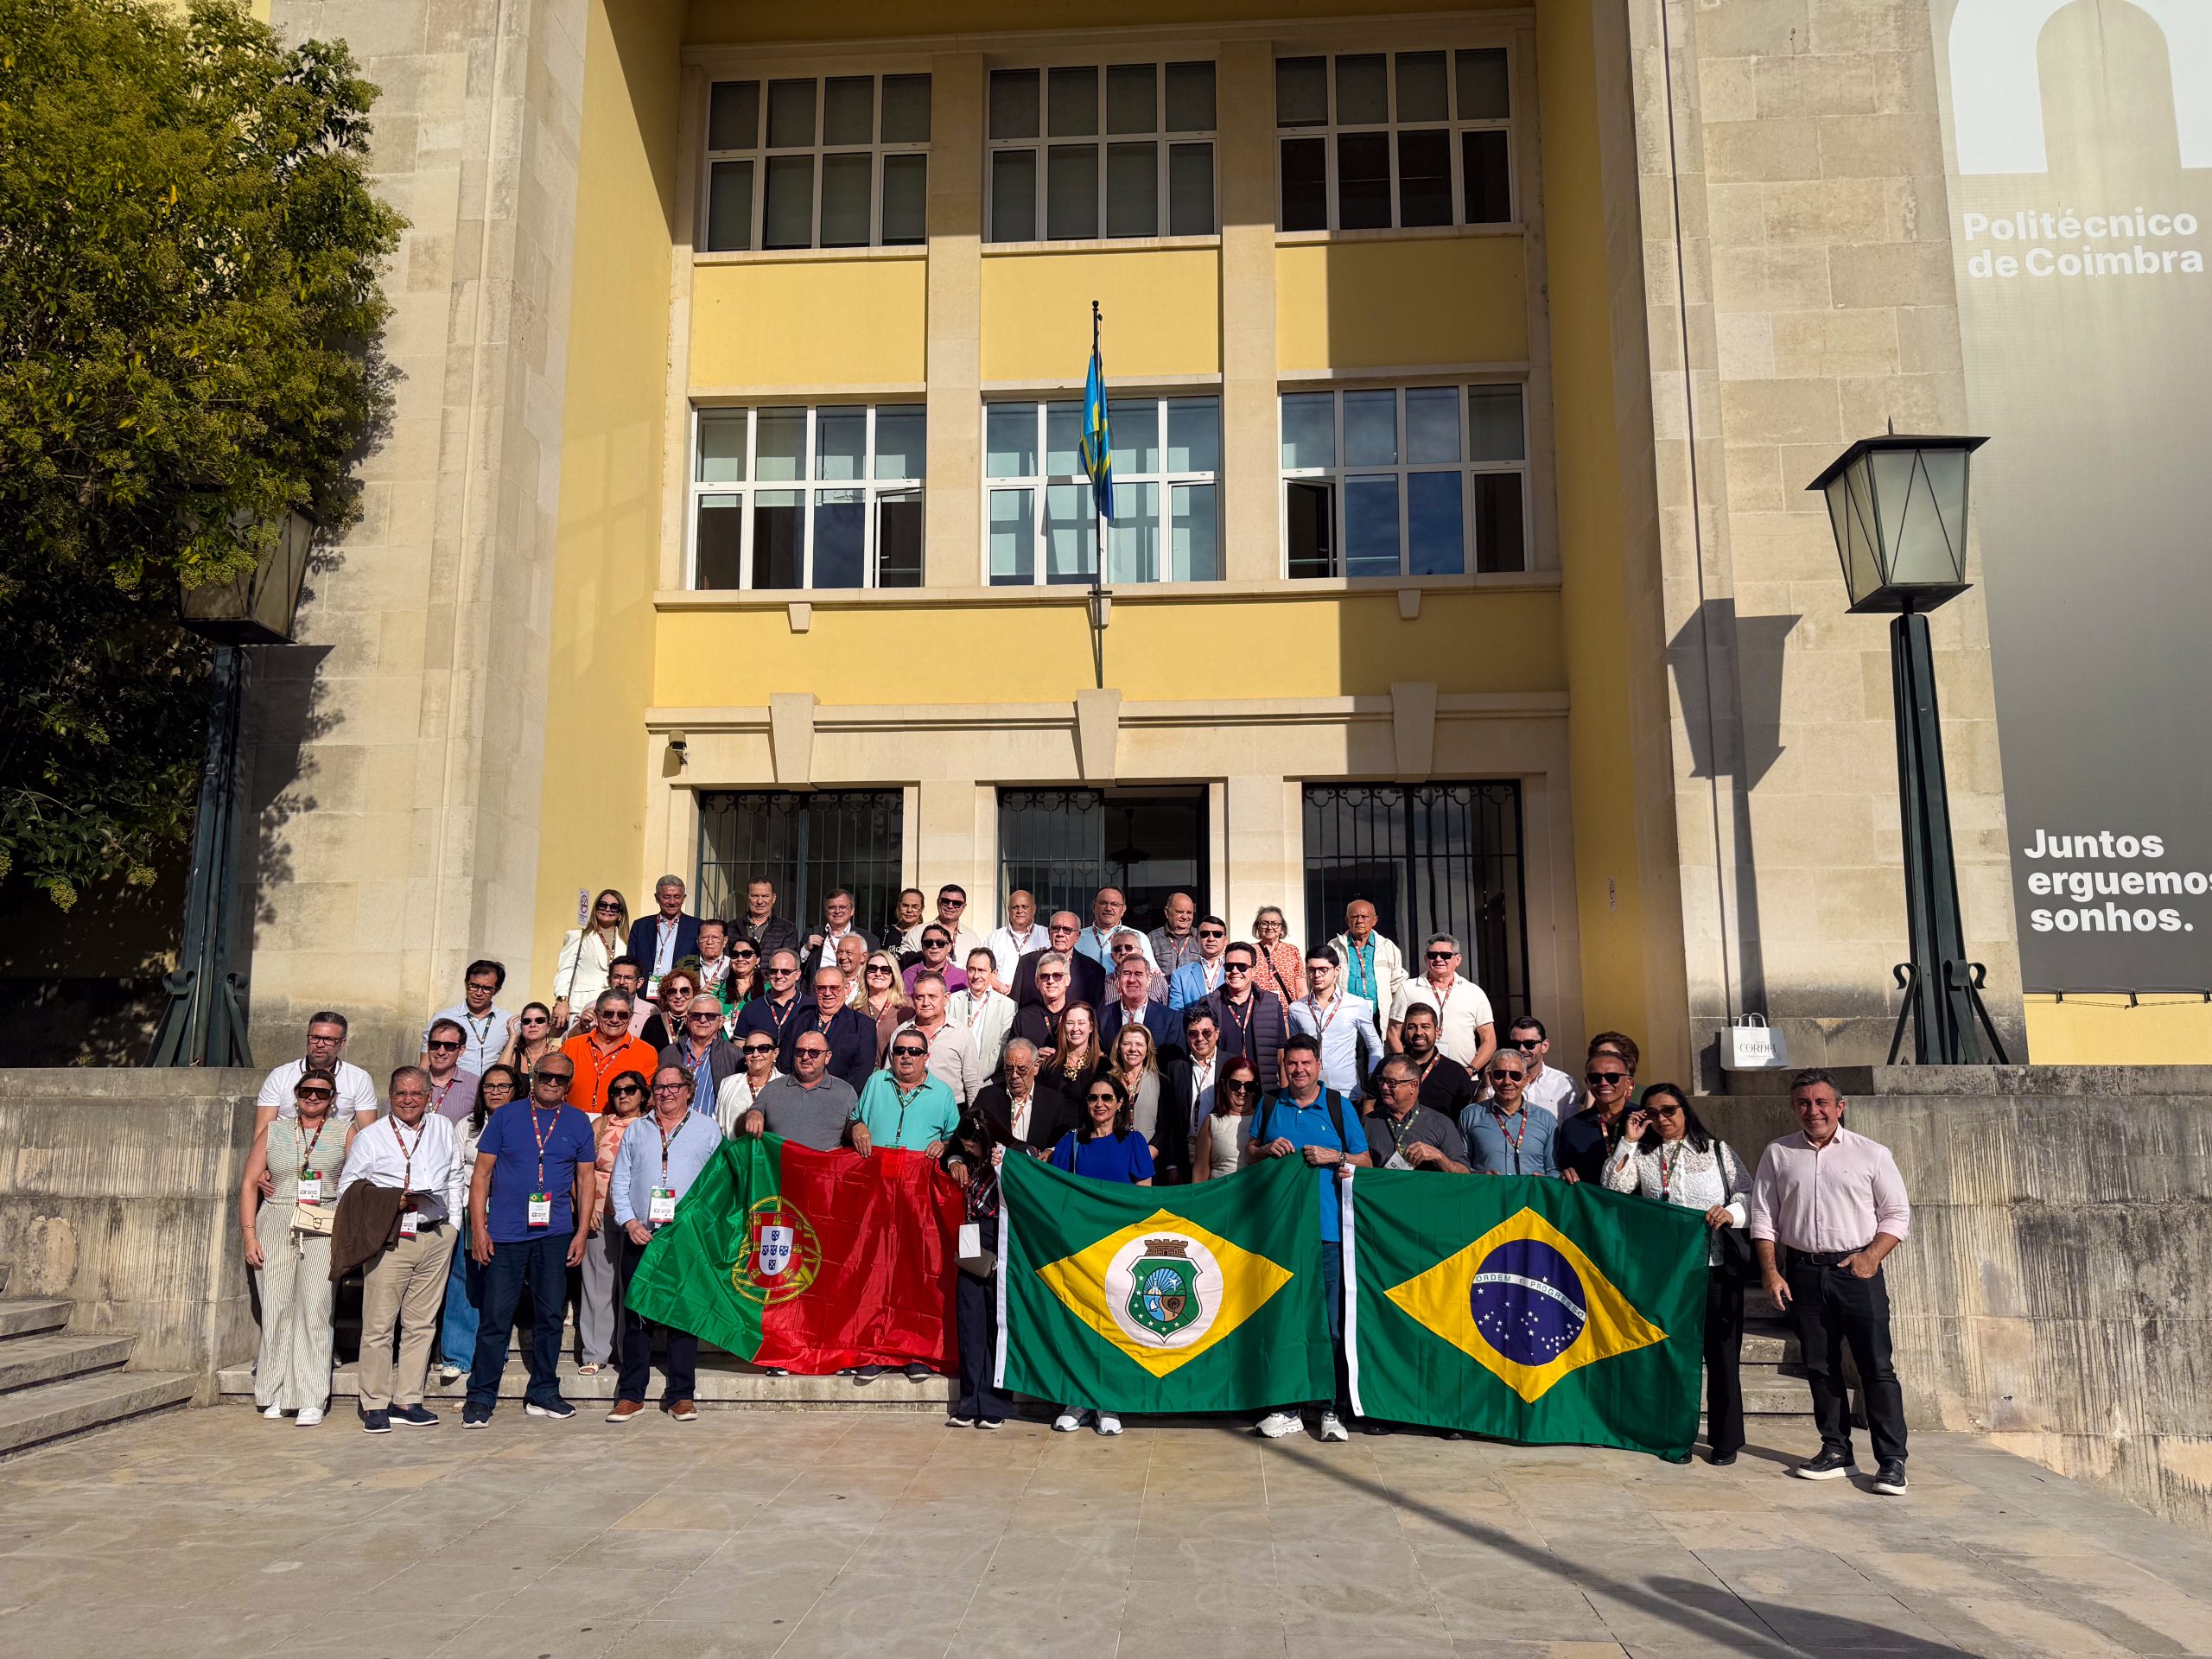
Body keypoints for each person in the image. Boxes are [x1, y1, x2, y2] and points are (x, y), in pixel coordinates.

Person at [1749, 1070, 1912, 1495]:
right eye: (1804, 1103)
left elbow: (1897, 1214)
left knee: (1876, 1367)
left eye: (1821, 1102)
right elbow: (1764, 1216)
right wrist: (1771, 1271)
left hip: (1856, 1272)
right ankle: (1836, 1450)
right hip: (1804, 1272)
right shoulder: (1779, 1153)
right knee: (1820, 1367)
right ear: (1794, 1107)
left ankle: (1892, 1461)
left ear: (1840, 1107)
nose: (1813, 1111)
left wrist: (1871, 1257)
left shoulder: (1871, 1154)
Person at [1603, 1083, 1752, 1465]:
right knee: (1671, 1355)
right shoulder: (1644, 1154)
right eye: (1652, 1113)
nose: (1662, 1119)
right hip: (1668, 1275)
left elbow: (1749, 1196)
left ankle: (1726, 1440)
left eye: (1669, 1110)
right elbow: (1613, 1187)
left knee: (1722, 1356)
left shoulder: (1717, 1151)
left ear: (1685, 1109)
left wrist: (1729, 1213)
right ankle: (1673, 1434)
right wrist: (1629, 1140)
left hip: (1715, 1269)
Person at [1243, 1033, 1370, 1440]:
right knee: (1285, 1320)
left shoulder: (1337, 1106)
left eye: (1305, 1064)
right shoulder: (1269, 1104)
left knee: (1330, 1324)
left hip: (1328, 1233)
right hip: (1279, 1233)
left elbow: (1366, 1160)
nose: (1298, 1071)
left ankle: (1330, 1409)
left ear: (1318, 1065)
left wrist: (1335, 1157)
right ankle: (1287, 1406)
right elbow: (1249, 1153)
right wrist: (1266, 1150)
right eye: (1291, 1064)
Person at [463, 1055, 596, 1427]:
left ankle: (544, 1391)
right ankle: (481, 1395)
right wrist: (479, 1228)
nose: (553, 1082)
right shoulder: (506, 1116)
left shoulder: (578, 1122)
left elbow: (586, 1180)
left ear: (569, 1083)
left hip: (554, 1234)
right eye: (546, 1075)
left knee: (550, 1316)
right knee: (495, 1317)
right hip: (505, 1233)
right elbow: (481, 1176)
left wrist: (581, 1232)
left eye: (561, 1078)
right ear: (534, 1077)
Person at [338, 1067, 464, 1433]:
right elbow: (349, 1189)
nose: (408, 1100)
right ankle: (375, 1403)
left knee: (421, 1323)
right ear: (390, 1096)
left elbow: (455, 1175)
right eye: (400, 1094)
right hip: (391, 1237)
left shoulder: (442, 1127)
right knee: (379, 1326)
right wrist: (393, 1200)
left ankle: (408, 1399)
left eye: (415, 1093)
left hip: (436, 1234)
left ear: (428, 1096)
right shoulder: (372, 1136)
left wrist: (454, 1225)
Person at [607, 1062, 725, 1422]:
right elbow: (619, 1181)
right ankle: (631, 1395)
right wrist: (629, 1222)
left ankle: (681, 1395)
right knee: (637, 1316)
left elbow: (718, 1186)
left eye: (674, 1087)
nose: (666, 1093)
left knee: (683, 1317)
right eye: (659, 1087)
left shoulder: (707, 1129)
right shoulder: (636, 1130)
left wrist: (699, 1226)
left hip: (685, 1239)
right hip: (642, 1236)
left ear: (689, 1090)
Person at [239, 1065, 354, 1426]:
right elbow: (249, 1183)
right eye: (307, 1091)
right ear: (296, 1095)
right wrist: (249, 1234)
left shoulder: (345, 1131)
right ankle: (275, 1391)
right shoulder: (274, 1131)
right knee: (276, 1307)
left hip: (323, 1219)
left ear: (333, 1099)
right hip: (276, 1218)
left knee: (316, 1308)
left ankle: (310, 1395)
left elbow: (356, 1181)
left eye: (322, 1092)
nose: (313, 1097)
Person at [1048, 1075, 1154, 1437]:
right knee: (1079, 1326)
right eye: (1093, 1097)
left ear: (1120, 1103)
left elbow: (1144, 1200)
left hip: (1121, 1252)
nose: (1100, 1104)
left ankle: (1108, 1403)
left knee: (1113, 1327)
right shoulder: (1070, 1142)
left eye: (1108, 1098)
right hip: (1080, 1250)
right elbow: (1055, 1192)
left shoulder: (1134, 1142)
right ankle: (1077, 1401)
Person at [437, 1064, 518, 1386]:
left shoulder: (524, 1125)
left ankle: (493, 1354)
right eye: (489, 1086)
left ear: (515, 1091)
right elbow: (455, 1169)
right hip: (470, 1209)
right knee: (464, 1279)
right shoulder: (467, 1125)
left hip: (508, 1212)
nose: (495, 1092)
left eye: (503, 1086)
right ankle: (457, 1355)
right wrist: (463, 1211)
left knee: (500, 1285)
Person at [940, 1109, 1010, 1428]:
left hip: (1001, 1235)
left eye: (972, 1144)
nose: (968, 1149)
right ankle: (969, 1401)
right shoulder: (968, 1159)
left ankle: (994, 1403)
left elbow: (1032, 1171)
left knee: (996, 1321)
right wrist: (956, 1158)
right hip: (971, 1235)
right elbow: (950, 1152)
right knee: (970, 1320)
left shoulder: (1011, 1154)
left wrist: (1005, 1166)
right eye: (965, 1145)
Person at [577, 1070, 647, 1376]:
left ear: (643, 1094)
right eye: (616, 1091)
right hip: (600, 1210)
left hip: (637, 1215)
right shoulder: (600, 1125)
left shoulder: (651, 1125)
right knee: (597, 1282)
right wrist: (586, 1205)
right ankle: (595, 1352)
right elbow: (583, 1170)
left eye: (630, 1090)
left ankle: (627, 1350)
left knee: (631, 1283)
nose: (623, 1095)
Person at [254, 1012, 378, 1134]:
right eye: (315, 1038)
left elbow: (368, 1135)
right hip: (285, 1145)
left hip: (336, 1146)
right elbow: (262, 1132)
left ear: (342, 1044)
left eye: (329, 1039)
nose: (320, 1044)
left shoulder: (359, 1078)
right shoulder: (280, 1076)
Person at [1288, 945, 1383, 1103]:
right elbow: (1294, 1051)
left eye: (1323, 969)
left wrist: (1372, 1084)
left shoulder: (1356, 1004)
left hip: (1347, 1093)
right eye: (1311, 970)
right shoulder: (1296, 1008)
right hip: (1309, 1093)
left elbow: (1374, 1045)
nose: (1317, 975)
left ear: (1337, 970)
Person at [1389, 934, 1496, 1073]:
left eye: (1445, 955)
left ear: (1458, 959)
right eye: (1433, 955)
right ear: (1426, 959)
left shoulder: (1474, 992)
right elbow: (1393, 1032)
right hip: (1420, 1075)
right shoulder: (1408, 989)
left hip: (1463, 1075)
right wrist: (1406, 1069)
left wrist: (1471, 1070)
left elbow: (1489, 1040)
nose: (1438, 959)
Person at [741, 1031, 860, 1152]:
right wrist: (753, 1113)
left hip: (825, 1163)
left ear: (827, 1057)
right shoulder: (771, 1088)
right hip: (780, 1163)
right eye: (800, 1051)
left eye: (813, 1052)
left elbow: (853, 1127)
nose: (805, 1057)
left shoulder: (846, 1092)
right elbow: (745, 1128)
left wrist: (856, 1126)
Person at [849, 1033, 960, 1158]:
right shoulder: (876, 1081)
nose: (906, 1056)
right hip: (873, 1164)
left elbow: (955, 1138)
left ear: (926, 1058)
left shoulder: (943, 1092)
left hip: (918, 1168)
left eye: (914, 1051)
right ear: (892, 1056)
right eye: (899, 1050)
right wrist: (855, 1126)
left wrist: (944, 1146)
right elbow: (852, 1120)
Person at [1459, 1047, 1561, 1177]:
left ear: (1525, 1080)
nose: (1507, 1081)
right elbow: (1462, 1165)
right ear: (1490, 1078)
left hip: (1530, 1190)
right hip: (1488, 1189)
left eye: (1515, 1075)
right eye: (1499, 1075)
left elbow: (1554, 1168)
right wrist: (1480, 1175)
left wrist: (1545, 1180)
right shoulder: (1470, 1115)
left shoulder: (1546, 1119)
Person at [1362, 1055, 1470, 1173]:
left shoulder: (1441, 1124)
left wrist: (1439, 1157)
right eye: (1381, 1080)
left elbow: (1464, 1173)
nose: (1384, 1087)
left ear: (1413, 1086)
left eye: (1391, 1082)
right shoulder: (1369, 1122)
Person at [1557, 1032, 1639, 1185]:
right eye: (1595, 1078)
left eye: (1612, 1077)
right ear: (1587, 1083)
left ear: (1628, 1082)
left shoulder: (1642, 1120)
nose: (1603, 1083)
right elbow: (1562, 1168)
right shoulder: (1572, 1126)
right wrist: (1565, 1174)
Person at [559, 989, 658, 1114]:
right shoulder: (571, 1046)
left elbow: (648, 1100)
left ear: (630, 1017)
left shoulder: (646, 1052)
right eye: (608, 1014)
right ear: (597, 1015)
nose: (615, 1020)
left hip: (619, 1123)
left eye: (622, 1015)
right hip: (572, 1120)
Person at [972, 1038, 1073, 1157]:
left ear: (1036, 1067)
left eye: (1022, 1069)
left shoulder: (1054, 1102)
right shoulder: (987, 1097)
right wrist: (956, 1160)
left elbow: (1064, 1141)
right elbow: (967, 1133)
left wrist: (1051, 1151)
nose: (1014, 1075)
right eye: (1009, 1069)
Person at [1207, 943, 1288, 1090]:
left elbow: (1281, 1056)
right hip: (1224, 1091)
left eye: (1242, 967)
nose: (1235, 971)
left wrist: (1284, 1096)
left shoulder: (1271, 1003)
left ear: (1254, 971)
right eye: (1229, 967)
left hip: (1264, 1092)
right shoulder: (1209, 1004)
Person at [1157, 1007, 1222, 1185]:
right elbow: (1168, 1119)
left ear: (1217, 1033)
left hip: (1220, 1156)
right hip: (1185, 1156)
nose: (1200, 1038)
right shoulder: (1175, 1068)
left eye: (1206, 1032)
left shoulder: (1230, 1064)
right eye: (1193, 1033)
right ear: (1186, 1036)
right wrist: (1171, 1165)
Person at [897, 973, 983, 1105]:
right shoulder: (901, 1033)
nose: (926, 1003)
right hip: (908, 1107)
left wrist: (973, 1115)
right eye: (920, 997)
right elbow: (890, 1078)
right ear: (913, 999)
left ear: (946, 998)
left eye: (932, 996)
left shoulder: (961, 1034)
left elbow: (973, 1084)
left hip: (951, 1110)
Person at [553, 889, 626, 1027]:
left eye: (614, 907)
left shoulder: (627, 942)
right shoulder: (578, 937)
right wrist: (562, 1000)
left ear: (621, 913)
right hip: (581, 1005)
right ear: (595, 908)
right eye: (602, 905)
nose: (607, 909)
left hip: (613, 1009)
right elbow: (566, 970)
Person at [660, 990, 741, 1116]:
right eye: (696, 1015)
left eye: (710, 1016)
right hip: (673, 1125)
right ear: (687, 1020)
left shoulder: (735, 1056)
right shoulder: (669, 1053)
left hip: (713, 1127)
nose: (703, 1020)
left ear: (721, 1021)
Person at [795, 965, 877, 1087]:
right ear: (814, 989)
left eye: (834, 988)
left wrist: (837, 1094)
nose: (828, 993)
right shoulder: (798, 1021)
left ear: (846, 989)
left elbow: (862, 1071)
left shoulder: (863, 1025)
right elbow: (786, 1062)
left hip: (842, 1095)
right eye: (821, 988)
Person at [426, 959, 510, 1077]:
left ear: (496, 990)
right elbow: (425, 1064)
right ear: (466, 984)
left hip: (491, 1088)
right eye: (474, 986)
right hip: (452, 1087)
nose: (479, 993)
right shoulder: (442, 1017)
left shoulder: (508, 1022)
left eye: (486, 988)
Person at [1330, 900, 1408, 1027]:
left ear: (1374, 920)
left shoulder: (1388, 947)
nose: (1359, 921)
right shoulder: (1334, 947)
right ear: (1347, 920)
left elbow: (1397, 985)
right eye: (1354, 917)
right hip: (1343, 1017)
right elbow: (1327, 983)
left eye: (1365, 917)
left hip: (1379, 1018)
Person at [1394, 1004, 1477, 1121]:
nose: (1419, 1032)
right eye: (1412, 1027)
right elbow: (1370, 1106)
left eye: (1425, 1027)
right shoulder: (1388, 1067)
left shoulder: (1456, 1072)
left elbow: (1468, 1115)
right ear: (1404, 1031)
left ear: (1437, 1031)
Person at [1013, 912, 1106, 1007]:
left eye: (1067, 930)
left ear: (1077, 936)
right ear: (1049, 933)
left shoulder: (1094, 971)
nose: (1060, 934)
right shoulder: (1027, 963)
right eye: (1055, 928)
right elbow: (1013, 1006)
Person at [733, 948, 808, 1065]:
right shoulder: (750, 1009)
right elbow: (739, 1052)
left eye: (785, 971)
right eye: (773, 971)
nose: (779, 976)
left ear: (797, 974)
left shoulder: (810, 1006)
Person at [947, 947, 1016, 1074]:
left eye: (982, 970)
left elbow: (1002, 1048)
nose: (976, 976)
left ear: (994, 973)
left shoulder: (1008, 1006)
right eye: (971, 970)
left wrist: (974, 1078)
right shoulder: (951, 1001)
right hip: (953, 1076)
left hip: (989, 1080)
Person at [1192, 1053, 1260, 1181]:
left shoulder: (1264, 1119)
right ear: (1224, 1086)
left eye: (1249, 1086)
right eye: (1235, 1084)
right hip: (1220, 1192)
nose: (1242, 1091)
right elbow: (1201, 1171)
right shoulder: (1212, 1122)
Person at [628, 874, 702, 984]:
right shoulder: (640, 926)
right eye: (666, 897)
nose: (672, 902)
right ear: (657, 898)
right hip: (646, 990)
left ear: (684, 898)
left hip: (681, 991)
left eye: (677, 897)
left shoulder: (697, 926)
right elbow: (631, 963)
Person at [714, 1028, 785, 1136]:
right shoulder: (728, 1083)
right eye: (749, 1050)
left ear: (775, 1053)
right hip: (734, 1146)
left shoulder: (786, 1085)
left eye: (763, 1048)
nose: (755, 1054)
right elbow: (717, 1122)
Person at [1508, 1015, 1579, 1120]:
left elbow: (1572, 1125)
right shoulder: (1500, 1081)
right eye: (1515, 1044)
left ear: (1544, 1046)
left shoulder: (1563, 1083)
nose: (1521, 1049)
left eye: (1529, 1044)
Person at [1101, 954, 1176, 1051]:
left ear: (1149, 980)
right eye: (1126, 973)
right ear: (1119, 979)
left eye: (1138, 974)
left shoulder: (1170, 1019)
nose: (1132, 980)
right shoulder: (1101, 1018)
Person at [1007, 950, 1077, 1056]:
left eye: (1057, 975)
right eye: (1044, 976)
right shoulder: (1023, 1018)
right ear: (1037, 982)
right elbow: (1010, 1057)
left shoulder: (1078, 1016)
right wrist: (1033, 1057)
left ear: (1067, 980)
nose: (1051, 981)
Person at [1039, 1001, 1103, 1112]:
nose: (1075, 1028)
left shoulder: (1101, 1065)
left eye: (1081, 1023)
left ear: (1091, 1027)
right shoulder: (1049, 1063)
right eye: (1070, 1023)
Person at [1107, 1021, 1164, 1144]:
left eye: (1139, 1045)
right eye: (1127, 1044)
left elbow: (1165, 1125)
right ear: (1118, 1048)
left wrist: (1151, 1151)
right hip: (1113, 1149)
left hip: (1148, 1151)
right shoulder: (1107, 1081)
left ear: (1147, 1050)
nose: (1133, 1049)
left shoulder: (1161, 1081)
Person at [855, 949, 914, 1065]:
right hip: (861, 1071)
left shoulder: (907, 1006)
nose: (878, 973)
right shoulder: (854, 1007)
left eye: (885, 970)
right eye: (872, 968)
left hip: (895, 1070)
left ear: (893, 975)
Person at [1078, 887, 1157, 971]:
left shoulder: (1139, 937)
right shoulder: (1077, 937)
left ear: (1123, 909)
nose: (1108, 908)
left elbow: (1152, 971)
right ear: (1094, 907)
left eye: (1114, 904)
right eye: (1103, 903)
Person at [421, 1018, 480, 1125]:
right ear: (428, 1047)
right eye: (435, 1045)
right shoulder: (411, 1082)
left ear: (461, 1050)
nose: (441, 1052)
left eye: (449, 1046)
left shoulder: (475, 1085)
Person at [1167, 914, 1231, 1010]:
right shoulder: (1180, 975)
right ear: (1197, 939)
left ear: (1225, 940)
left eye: (1217, 934)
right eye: (1205, 934)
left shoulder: (1235, 971)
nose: (1211, 939)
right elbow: (1176, 1013)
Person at [804, 887, 874, 973]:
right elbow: (799, 969)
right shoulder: (812, 934)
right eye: (832, 907)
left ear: (852, 911)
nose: (837, 911)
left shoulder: (869, 940)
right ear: (826, 911)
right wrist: (806, 949)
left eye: (842, 907)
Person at [986, 888, 1050, 984]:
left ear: (1034, 909)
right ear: (1009, 910)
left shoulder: (1046, 936)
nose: (1020, 911)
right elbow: (983, 969)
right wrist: (999, 987)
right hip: (1001, 992)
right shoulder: (994, 938)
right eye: (1015, 907)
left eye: (1025, 907)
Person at [734, 876, 802, 964]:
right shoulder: (732, 927)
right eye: (754, 896)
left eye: (765, 896)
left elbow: (787, 964)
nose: (759, 901)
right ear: (747, 897)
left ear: (774, 898)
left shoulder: (787, 929)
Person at [1249, 906, 1306, 1003]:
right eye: (1264, 923)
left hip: (1287, 1009)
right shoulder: (1249, 951)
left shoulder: (1292, 951)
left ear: (1282, 928)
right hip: (1257, 1009)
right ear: (1258, 926)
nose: (1269, 927)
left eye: (1275, 924)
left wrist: (1301, 1010)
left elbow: (1301, 990)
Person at [637, 964, 700, 1052]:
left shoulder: (700, 1021)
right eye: (672, 991)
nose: (678, 996)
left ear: (694, 993)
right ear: (665, 995)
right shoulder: (654, 1022)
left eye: (685, 991)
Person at [901, 925, 969, 998]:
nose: (934, 946)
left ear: (949, 947)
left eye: (940, 943)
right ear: (922, 947)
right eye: (928, 943)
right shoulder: (908, 975)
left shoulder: (962, 977)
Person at [498, 1001, 561, 1079]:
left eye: (539, 1020)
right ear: (522, 1027)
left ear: (549, 1027)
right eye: (527, 1021)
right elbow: (498, 1077)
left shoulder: (559, 1053)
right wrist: (512, 1039)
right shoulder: (514, 1055)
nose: (532, 1025)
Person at [1148, 890, 1204, 977]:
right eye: (1180, 912)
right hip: (1165, 986)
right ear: (1167, 912)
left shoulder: (1202, 936)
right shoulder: (1152, 938)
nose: (1185, 917)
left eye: (1189, 912)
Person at [931, 883, 985, 959]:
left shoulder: (972, 939)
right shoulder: (917, 933)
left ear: (963, 907)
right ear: (938, 902)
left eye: (956, 903)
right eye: (945, 901)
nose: (950, 906)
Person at [690, 918, 734, 1003]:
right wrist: (699, 995)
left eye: (715, 938)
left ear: (725, 941)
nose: (709, 942)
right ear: (698, 941)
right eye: (704, 938)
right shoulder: (685, 965)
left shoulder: (733, 965)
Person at [889, 887, 927, 952]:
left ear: (921, 909)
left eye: (914, 907)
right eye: (905, 906)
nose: (909, 910)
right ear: (899, 907)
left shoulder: (926, 934)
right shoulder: (886, 933)